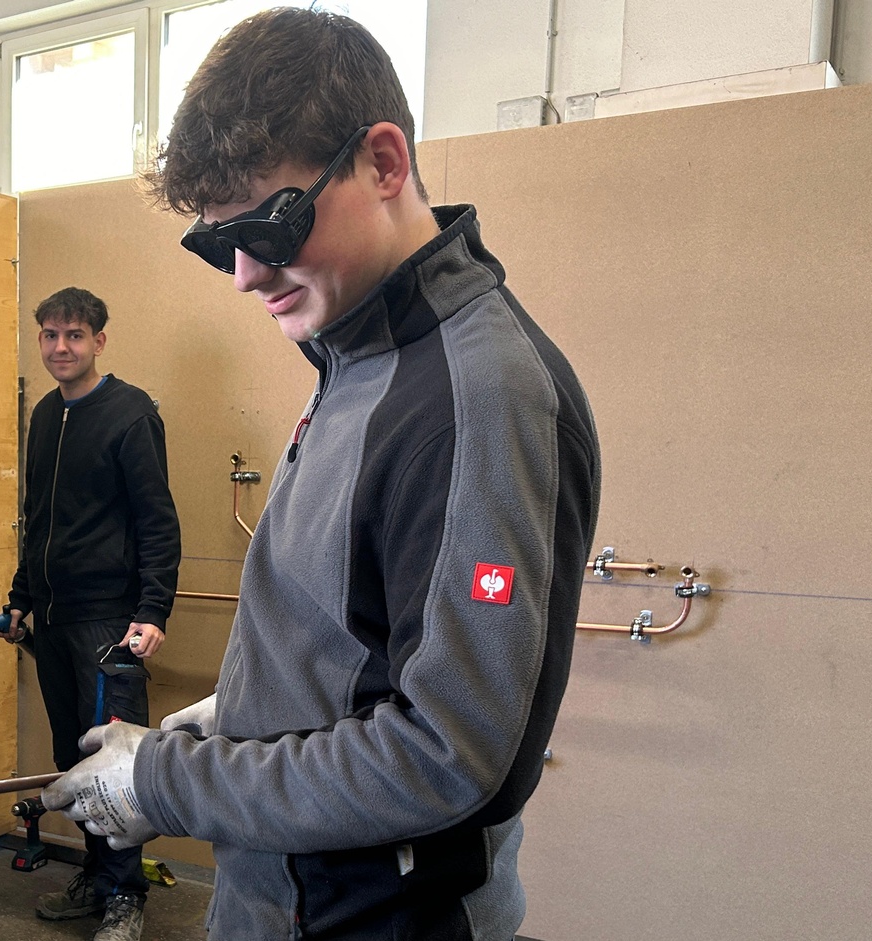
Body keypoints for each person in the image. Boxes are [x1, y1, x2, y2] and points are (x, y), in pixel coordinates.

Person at [42, 10, 603, 941]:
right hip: (292, 895)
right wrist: (243, 710)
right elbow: (360, 634)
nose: (245, 276)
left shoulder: (475, 398)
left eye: (270, 225)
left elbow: (445, 756)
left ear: (384, 163)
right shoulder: (358, 358)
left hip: (375, 916)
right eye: (219, 244)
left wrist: (163, 781)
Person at [3, 287, 181, 941]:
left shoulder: (130, 413)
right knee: (69, 760)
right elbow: (38, 518)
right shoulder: (46, 414)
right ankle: (97, 876)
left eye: (73, 335)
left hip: (108, 622)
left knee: (116, 762)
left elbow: (157, 520)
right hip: (52, 617)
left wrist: (153, 608)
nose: (59, 347)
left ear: (99, 340)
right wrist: (22, 596)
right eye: (49, 335)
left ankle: (126, 896)